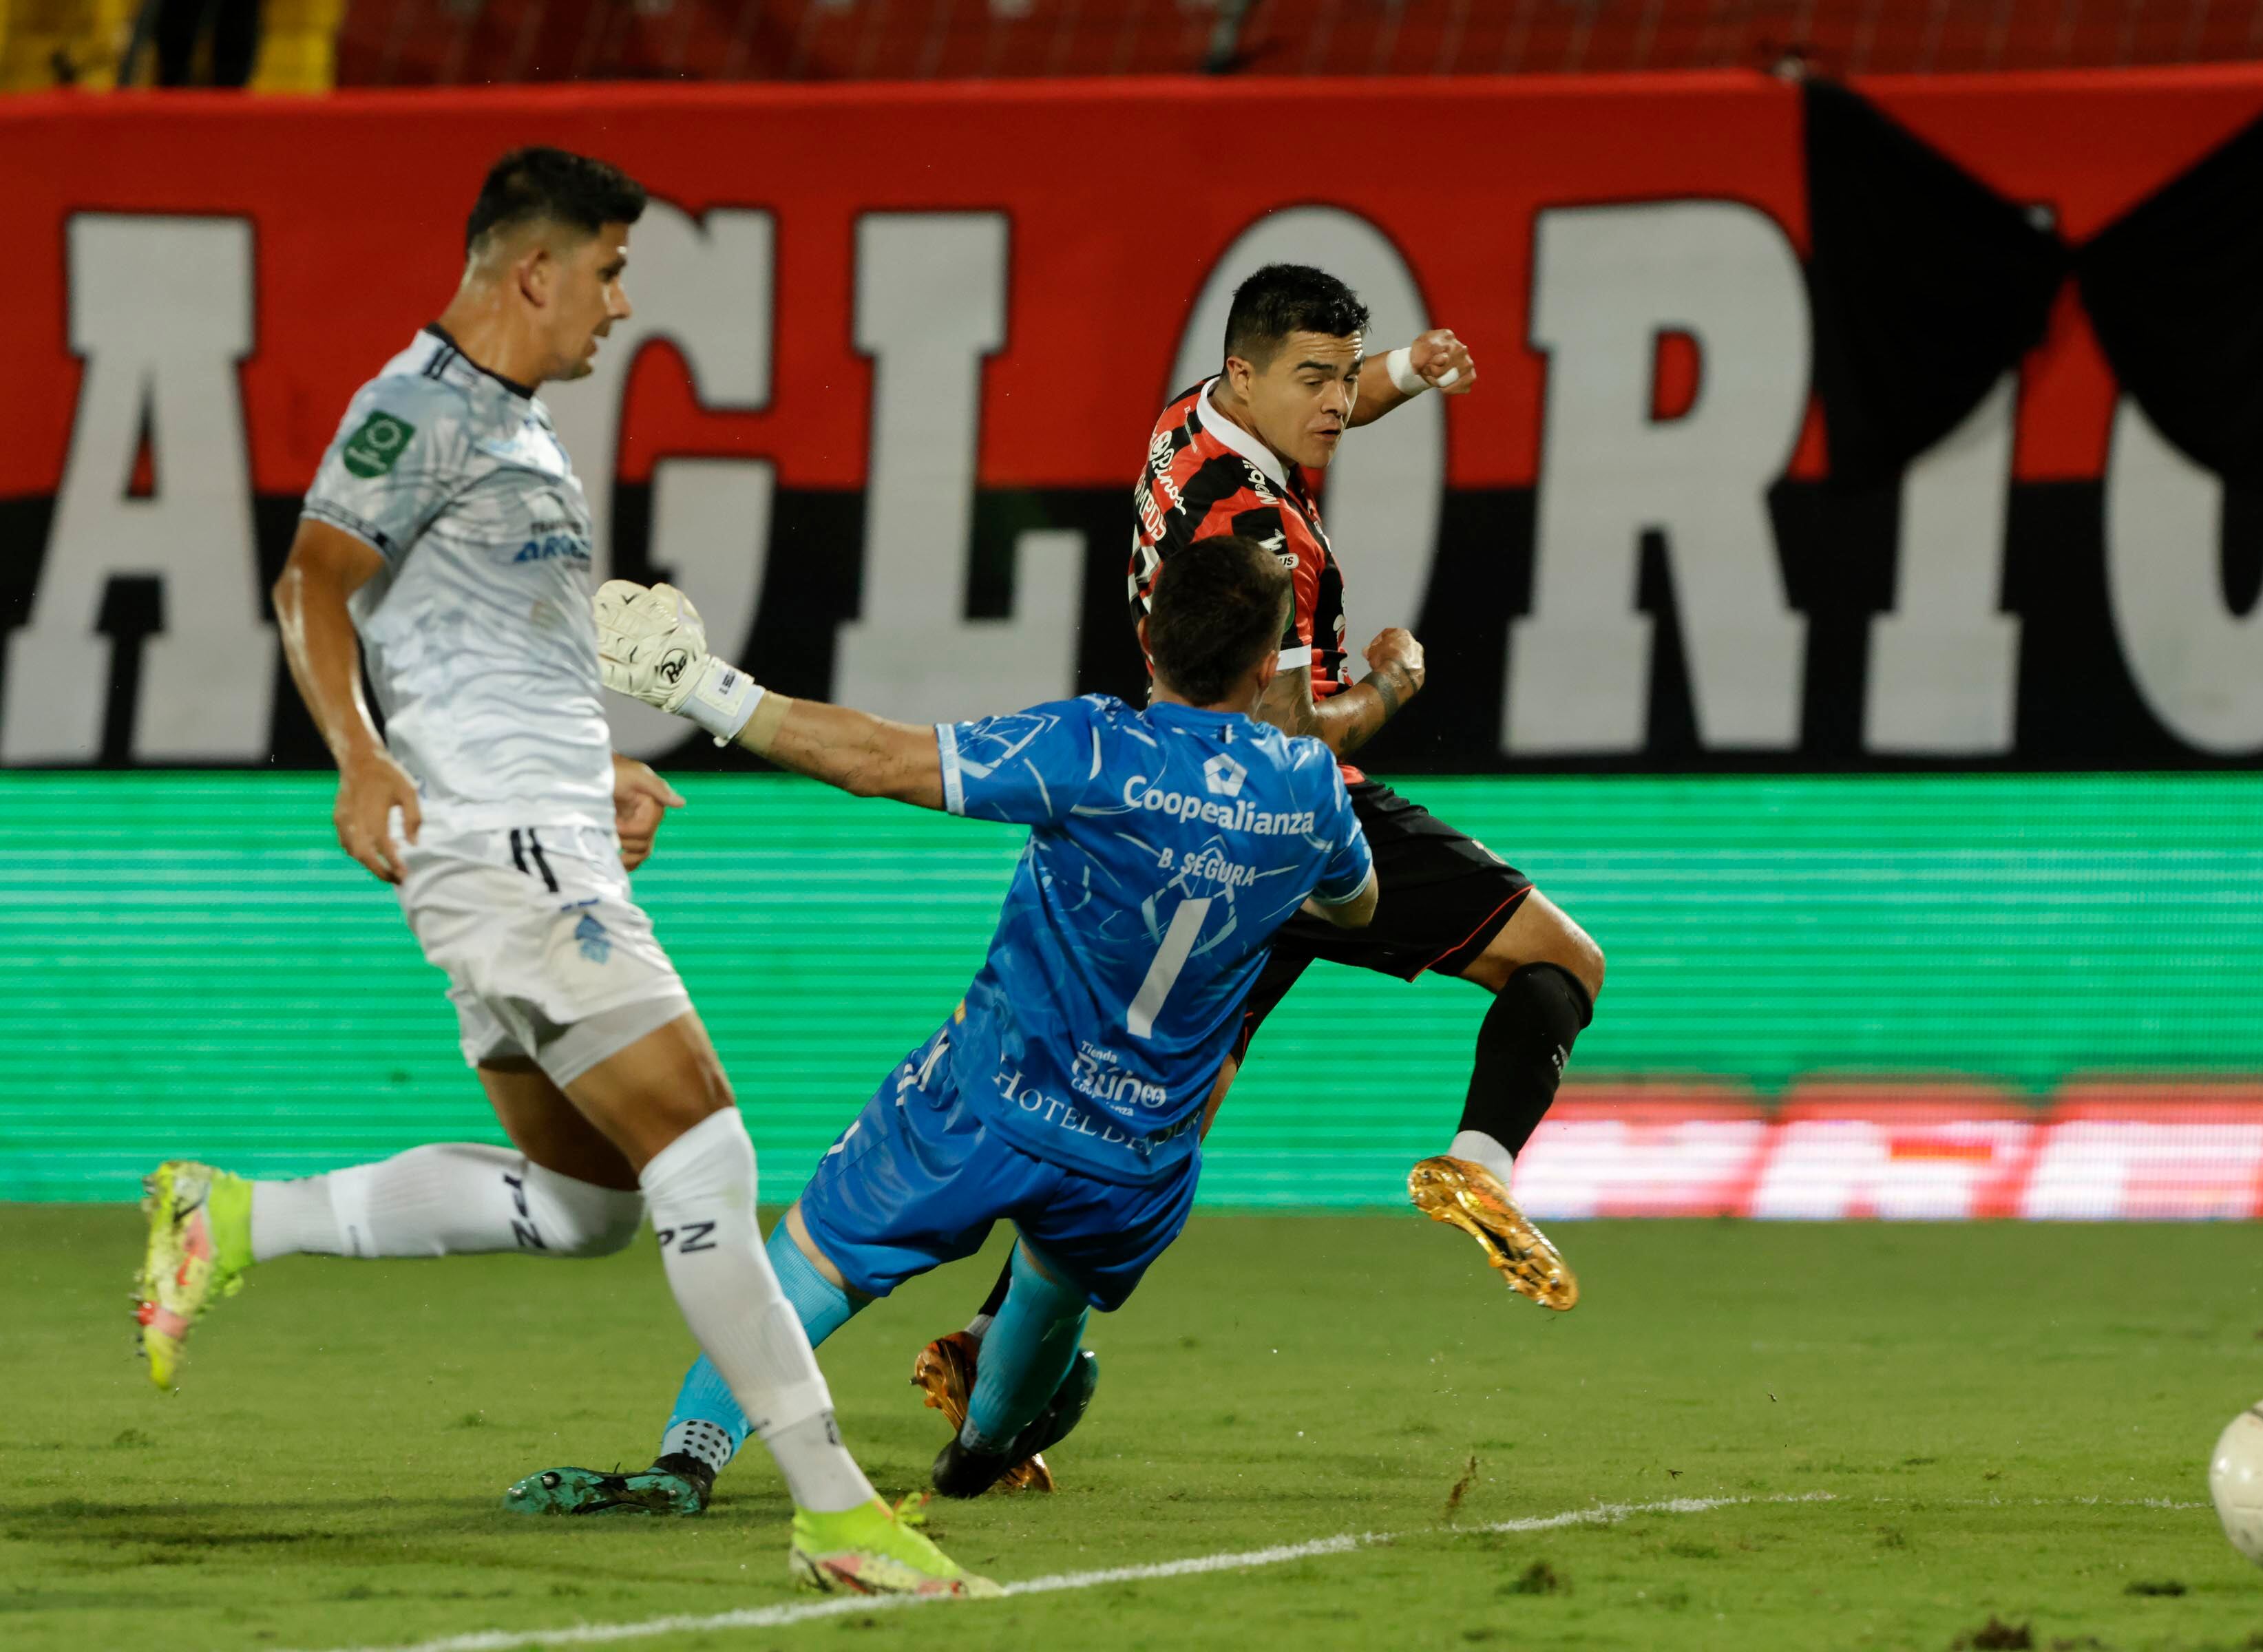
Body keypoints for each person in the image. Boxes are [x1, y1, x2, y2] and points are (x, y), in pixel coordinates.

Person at [128, 147, 984, 1599]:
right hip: (499, 854)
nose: (623, 302)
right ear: (534, 270)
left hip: (538, 834)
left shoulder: (520, 435)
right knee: (704, 1140)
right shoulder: (416, 409)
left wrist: (592, 776)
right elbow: (311, 580)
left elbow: (476, 655)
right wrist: (356, 755)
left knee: (586, 1202)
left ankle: (236, 1216)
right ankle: (835, 1506)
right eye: (610, 269)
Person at [501, 533, 1376, 1515]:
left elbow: (876, 760)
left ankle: (688, 1462)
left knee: (816, 1260)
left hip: (984, 1104)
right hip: (1140, 1150)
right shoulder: (1307, 790)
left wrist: (696, 683)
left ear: (1147, 635)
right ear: (1269, 665)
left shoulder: (1092, 750)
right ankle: (980, 1455)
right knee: (1051, 1295)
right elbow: (1357, 906)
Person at [907, 268, 1607, 1445]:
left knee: (1153, 1126)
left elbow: (1324, 398)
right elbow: (1287, 738)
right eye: (1317, 380)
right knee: (1561, 966)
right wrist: (1390, 682)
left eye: (1346, 376)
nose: (1337, 403)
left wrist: (1406, 376)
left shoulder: (1190, 425)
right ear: (1249, 373)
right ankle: (1475, 1165)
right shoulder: (1256, 527)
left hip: (1187, 834)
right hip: (1292, 819)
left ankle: (987, 1345)